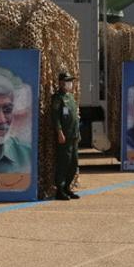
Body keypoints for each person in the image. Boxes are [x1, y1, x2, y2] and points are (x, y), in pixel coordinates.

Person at [51, 71, 80, 200]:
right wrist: (59, 132)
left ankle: (68, 187)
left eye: (70, 81)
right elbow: (55, 117)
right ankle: (60, 189)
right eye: (67, 81)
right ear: (61, 83)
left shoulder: (71, 97)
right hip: (64, 135)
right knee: (63, 162)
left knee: (73, 162)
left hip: (73, 135)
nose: (70, 84)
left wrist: (77, 133)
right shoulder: (58, 98)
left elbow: (75, 117)